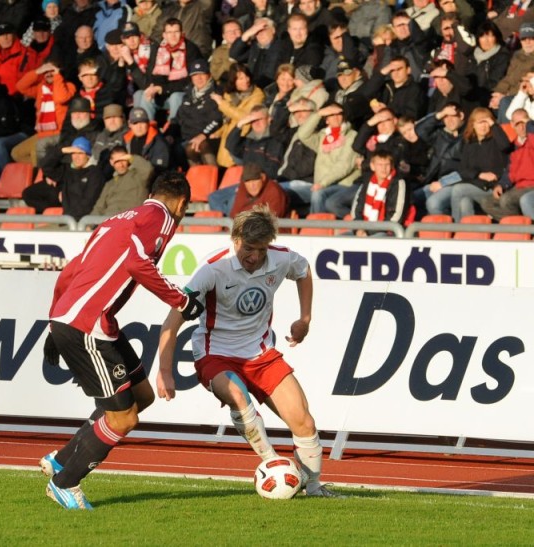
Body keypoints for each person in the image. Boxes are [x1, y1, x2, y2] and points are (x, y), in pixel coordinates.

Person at [39, 170, 204, 510]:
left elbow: (72, 270)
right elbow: (138, 263)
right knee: (124, 418)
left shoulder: (118, 219)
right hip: (88, 326)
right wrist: (181, 300)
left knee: (141, 396)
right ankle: (64, 483)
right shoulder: (162, 218)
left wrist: (54, 319)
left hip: (87, 320)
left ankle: (61, 460)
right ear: (182, 204)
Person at [157, 205, 338, 498]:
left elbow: (303, 271)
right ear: (236, 239)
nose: (255, 256)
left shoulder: (280, 258)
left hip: (261, 354)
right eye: (249, 249)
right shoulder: (213, 268)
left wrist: (305, 319)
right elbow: (172, 321)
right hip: (215, 354)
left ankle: (314, 487)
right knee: (238, 396)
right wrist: (165, 370)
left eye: (261, 250)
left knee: (304, 421)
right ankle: (273, 464)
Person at [350, 150, 410, 236]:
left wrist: (368, 232)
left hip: (387, 232)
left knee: (378, 237)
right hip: (363, 229)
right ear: (372, 166)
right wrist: (358, 229)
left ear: (392, 166)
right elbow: (356, 210)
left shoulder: (398, 183)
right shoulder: (366, 182)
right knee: (341, 237)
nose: (384, 168)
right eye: (380, 165)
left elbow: (395, 217)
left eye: (387, 165)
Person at [90, 146, 153, 216]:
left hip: (131, 217)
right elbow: (99, 207)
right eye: (117, 161)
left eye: (123, 160)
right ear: (111, 162)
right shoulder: (109, 184)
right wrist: (90, 222)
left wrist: (132, 157)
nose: (121, 165)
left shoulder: (138, 176)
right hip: (109, 217)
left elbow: (148, 170)